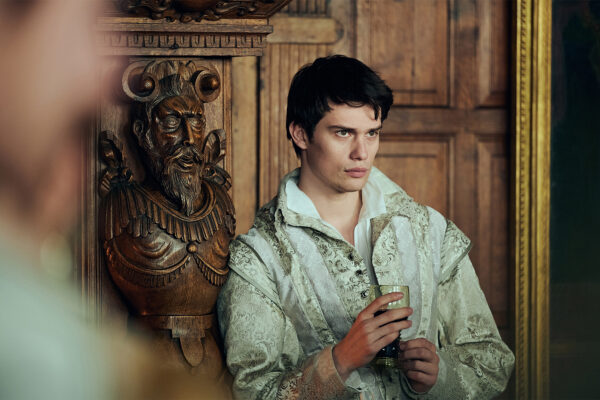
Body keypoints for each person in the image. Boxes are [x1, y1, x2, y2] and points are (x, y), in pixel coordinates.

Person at [217, 55, 515, 399]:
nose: (362, 152)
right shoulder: (258, 258)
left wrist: (440, 376)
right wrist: (340, 361)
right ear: (300, 133)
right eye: (343, 133)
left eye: (372, 133)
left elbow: (492, 364)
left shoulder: (429, 230)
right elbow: (251, 393)